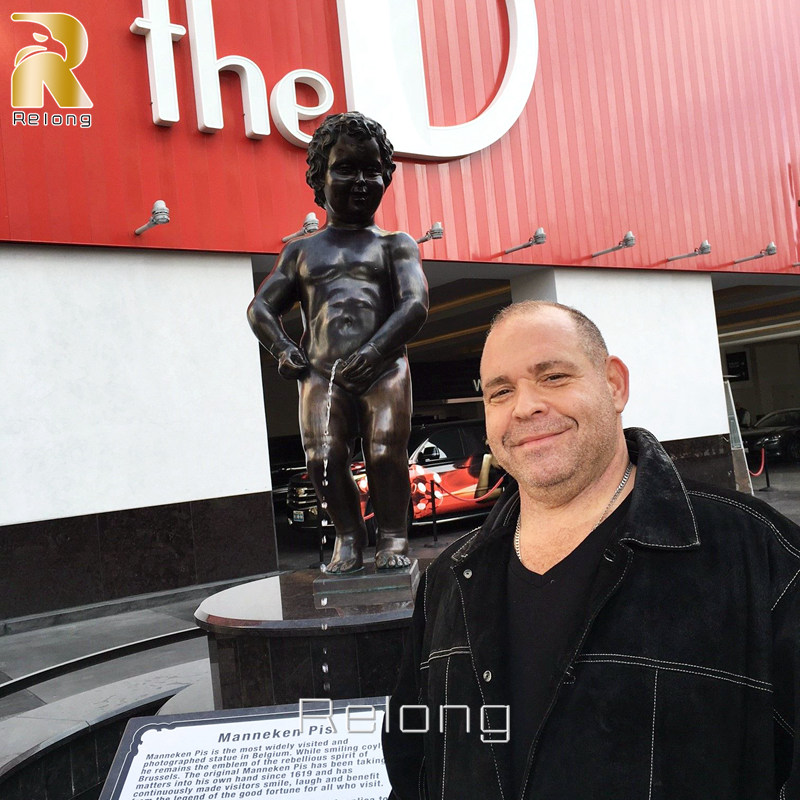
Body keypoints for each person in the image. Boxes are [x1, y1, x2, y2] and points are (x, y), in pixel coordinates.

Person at [382, 300, 800, 798]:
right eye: (500, 391)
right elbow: (414, 768)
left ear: (614, 384)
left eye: (553, 376)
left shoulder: (759, 557)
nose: (525, 406)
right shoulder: (449, 580)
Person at [248, 112, 428, 573]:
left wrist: (374, 353)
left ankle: (393, 537)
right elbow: (261, 308)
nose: (361, 181)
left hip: (384, 367)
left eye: (372, 171)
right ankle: (349, 536)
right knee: (322, 457)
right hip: (320, 373)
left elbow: (415, 305)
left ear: (386, 177)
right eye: (346, 169)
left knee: (386, 449)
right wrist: (284, 349)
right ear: (319, 176)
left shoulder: (395, 244)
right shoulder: (302, 250)